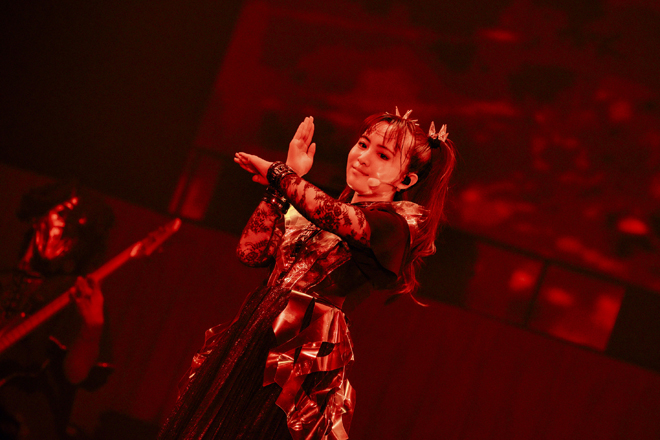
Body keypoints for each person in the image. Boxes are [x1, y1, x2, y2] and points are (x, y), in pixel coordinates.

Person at [159, 108, 456, 439]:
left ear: (406, 180)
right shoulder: (313, 209)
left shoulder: (393, 227)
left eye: (382, 155)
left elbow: (330, 213)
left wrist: (279, 174)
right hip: (255, 328)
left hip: (301, 350)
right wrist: (277, 190)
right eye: (362, 144)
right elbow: (250, 252)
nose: (363, 157)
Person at [0, 183, 114, 440]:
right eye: (63, 214)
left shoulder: (73, 295)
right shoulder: (3, 281)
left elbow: (76, 375)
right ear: (37, 216)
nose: (68, 229)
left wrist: (92, 329)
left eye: (80, 228)